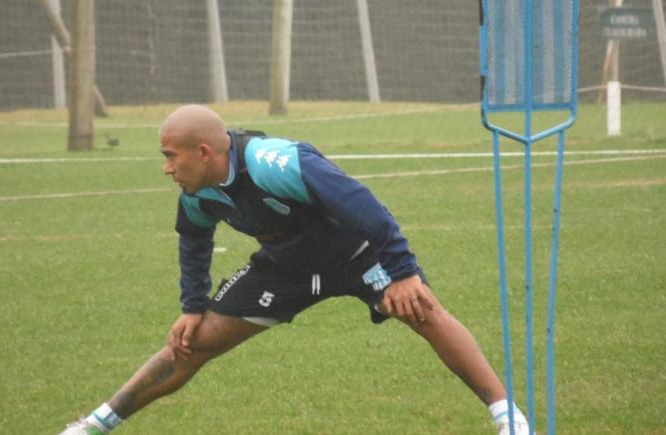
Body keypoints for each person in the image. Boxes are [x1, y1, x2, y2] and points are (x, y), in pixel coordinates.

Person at [61, 104, 530, 435]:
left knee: (422, 311)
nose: (166, 168)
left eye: (170, 155)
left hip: (353, 252)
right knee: (191, 344)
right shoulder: (197, 192)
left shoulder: (275, 162)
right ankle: (96, 424)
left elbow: (361, 203)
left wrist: (403, 272)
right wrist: (191, 305)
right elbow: (195, 242)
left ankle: (508, 417)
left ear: (203, 152)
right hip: (282, 268)